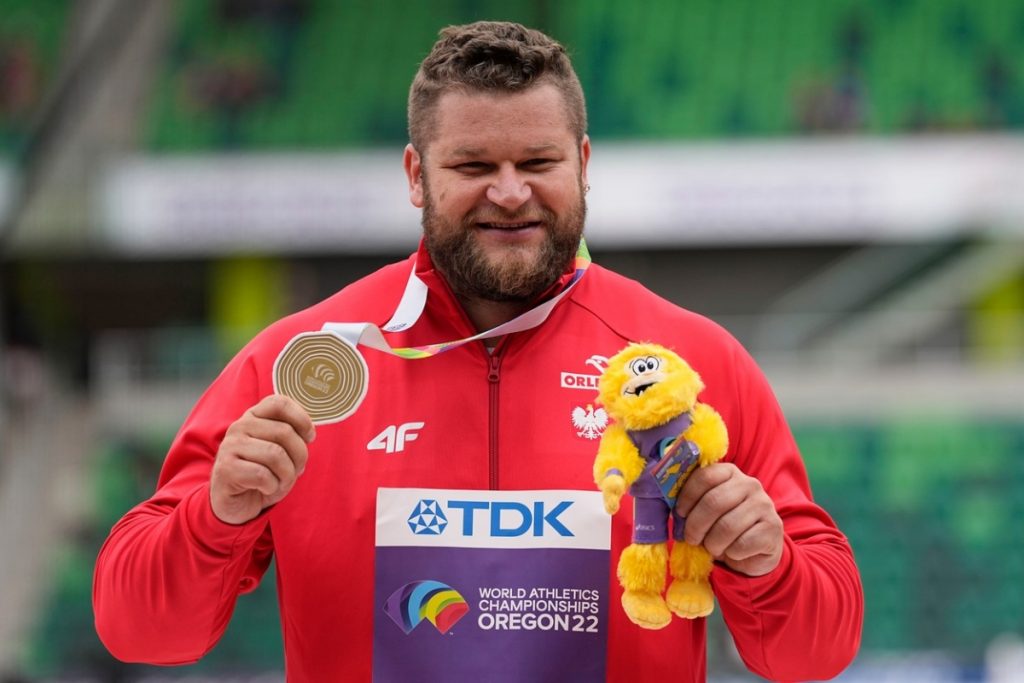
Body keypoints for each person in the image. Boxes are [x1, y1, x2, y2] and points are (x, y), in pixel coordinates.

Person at [93, 21, 863, 682]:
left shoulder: (689, 364)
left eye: (537, 164)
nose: (509, 192)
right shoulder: (299, 366)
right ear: (415, 176)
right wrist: (214, 516)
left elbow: (817, 648)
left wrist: (769, 562)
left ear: (584, 166)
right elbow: (141, 629)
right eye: (472, 167)